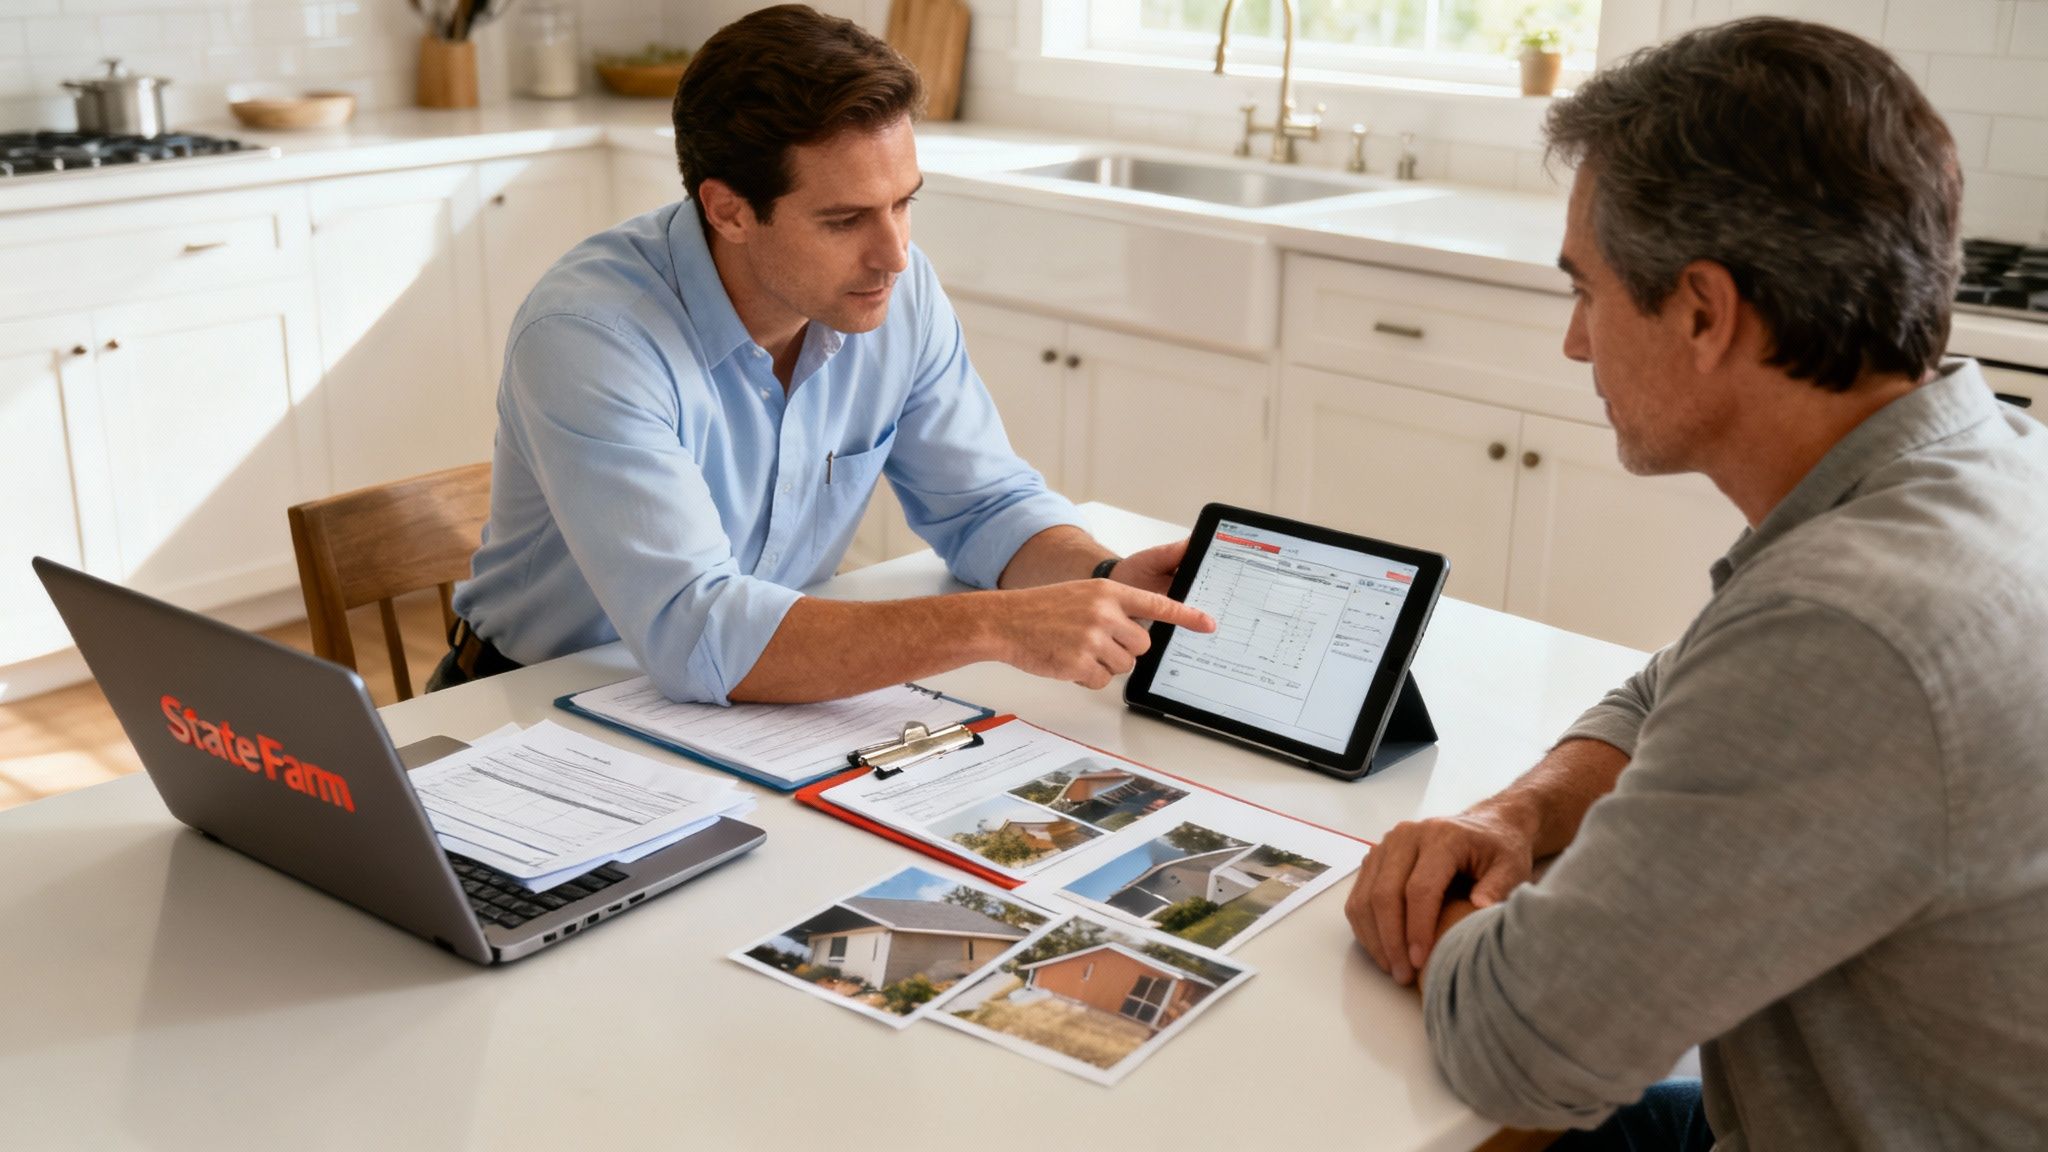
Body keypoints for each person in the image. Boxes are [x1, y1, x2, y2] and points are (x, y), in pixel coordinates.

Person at [1343, 17, 2048, 1149]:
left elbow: (1515, 1041)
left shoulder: (1846, 624)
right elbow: (1681, 683)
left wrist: (1470, 920)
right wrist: (1518, 813)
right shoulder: (1981, 462)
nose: (1575, 345)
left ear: (1702, 312)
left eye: (1585, 291)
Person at [431, 4, 1213, 701]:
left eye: (904, 203)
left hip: (753, 698)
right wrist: (999, 627)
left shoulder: (893, 293)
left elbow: (984, 506)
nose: (895, 255)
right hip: (529, 710)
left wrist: (1103, 580)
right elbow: (696, 630)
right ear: (728, 210)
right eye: (845, 220)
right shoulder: (591, 336)